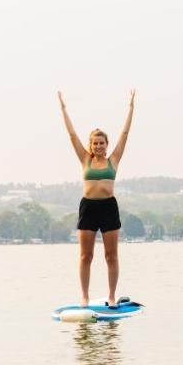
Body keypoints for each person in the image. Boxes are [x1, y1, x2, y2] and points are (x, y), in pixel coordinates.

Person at [59, 90, 135, 307]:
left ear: (107, 144)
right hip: (88, 208)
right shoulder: (85, 159)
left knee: (111, 256)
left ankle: (111, 296)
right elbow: (72, 135)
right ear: (91, 146)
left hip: (109, 208)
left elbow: (125, 134)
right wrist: (64, 109)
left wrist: (131, 108)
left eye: (102, 143)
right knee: (86, 256)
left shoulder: (114, 159)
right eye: (95, 143)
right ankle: (84, 296)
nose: (99, 146)